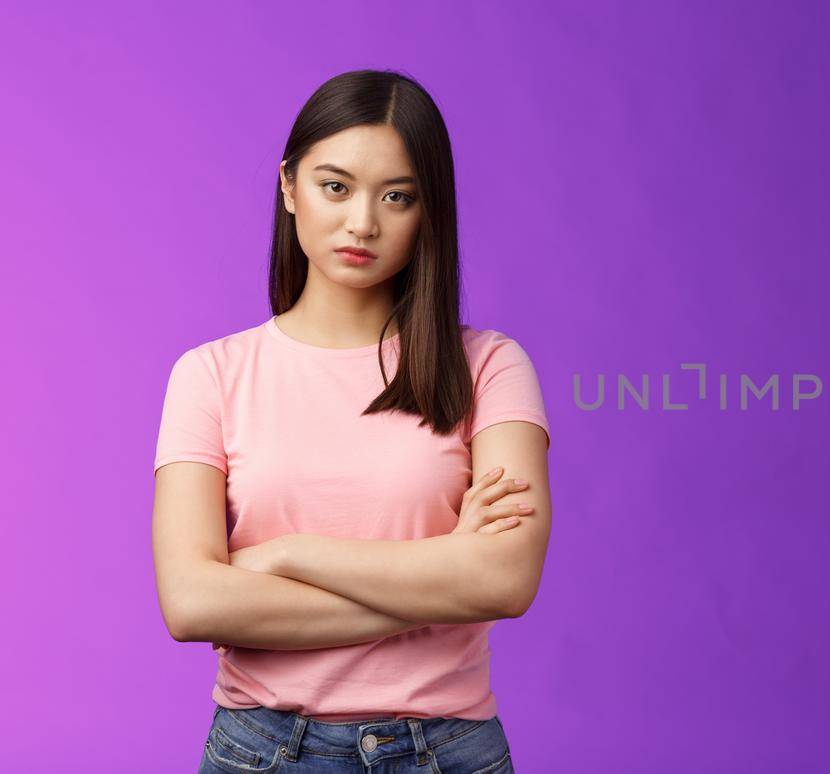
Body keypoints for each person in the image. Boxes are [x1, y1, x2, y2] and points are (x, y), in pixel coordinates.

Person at [151, 69, 550, 773]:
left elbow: (505, 582)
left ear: (429, 211)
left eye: (397, 197)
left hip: (447, 752)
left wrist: (285, 555)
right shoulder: (208, 374)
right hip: (262, 751)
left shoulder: (489, 367)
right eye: (335, 186)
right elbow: (191, 602)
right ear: (288, 186)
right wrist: (443, 583)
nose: (362, 222)